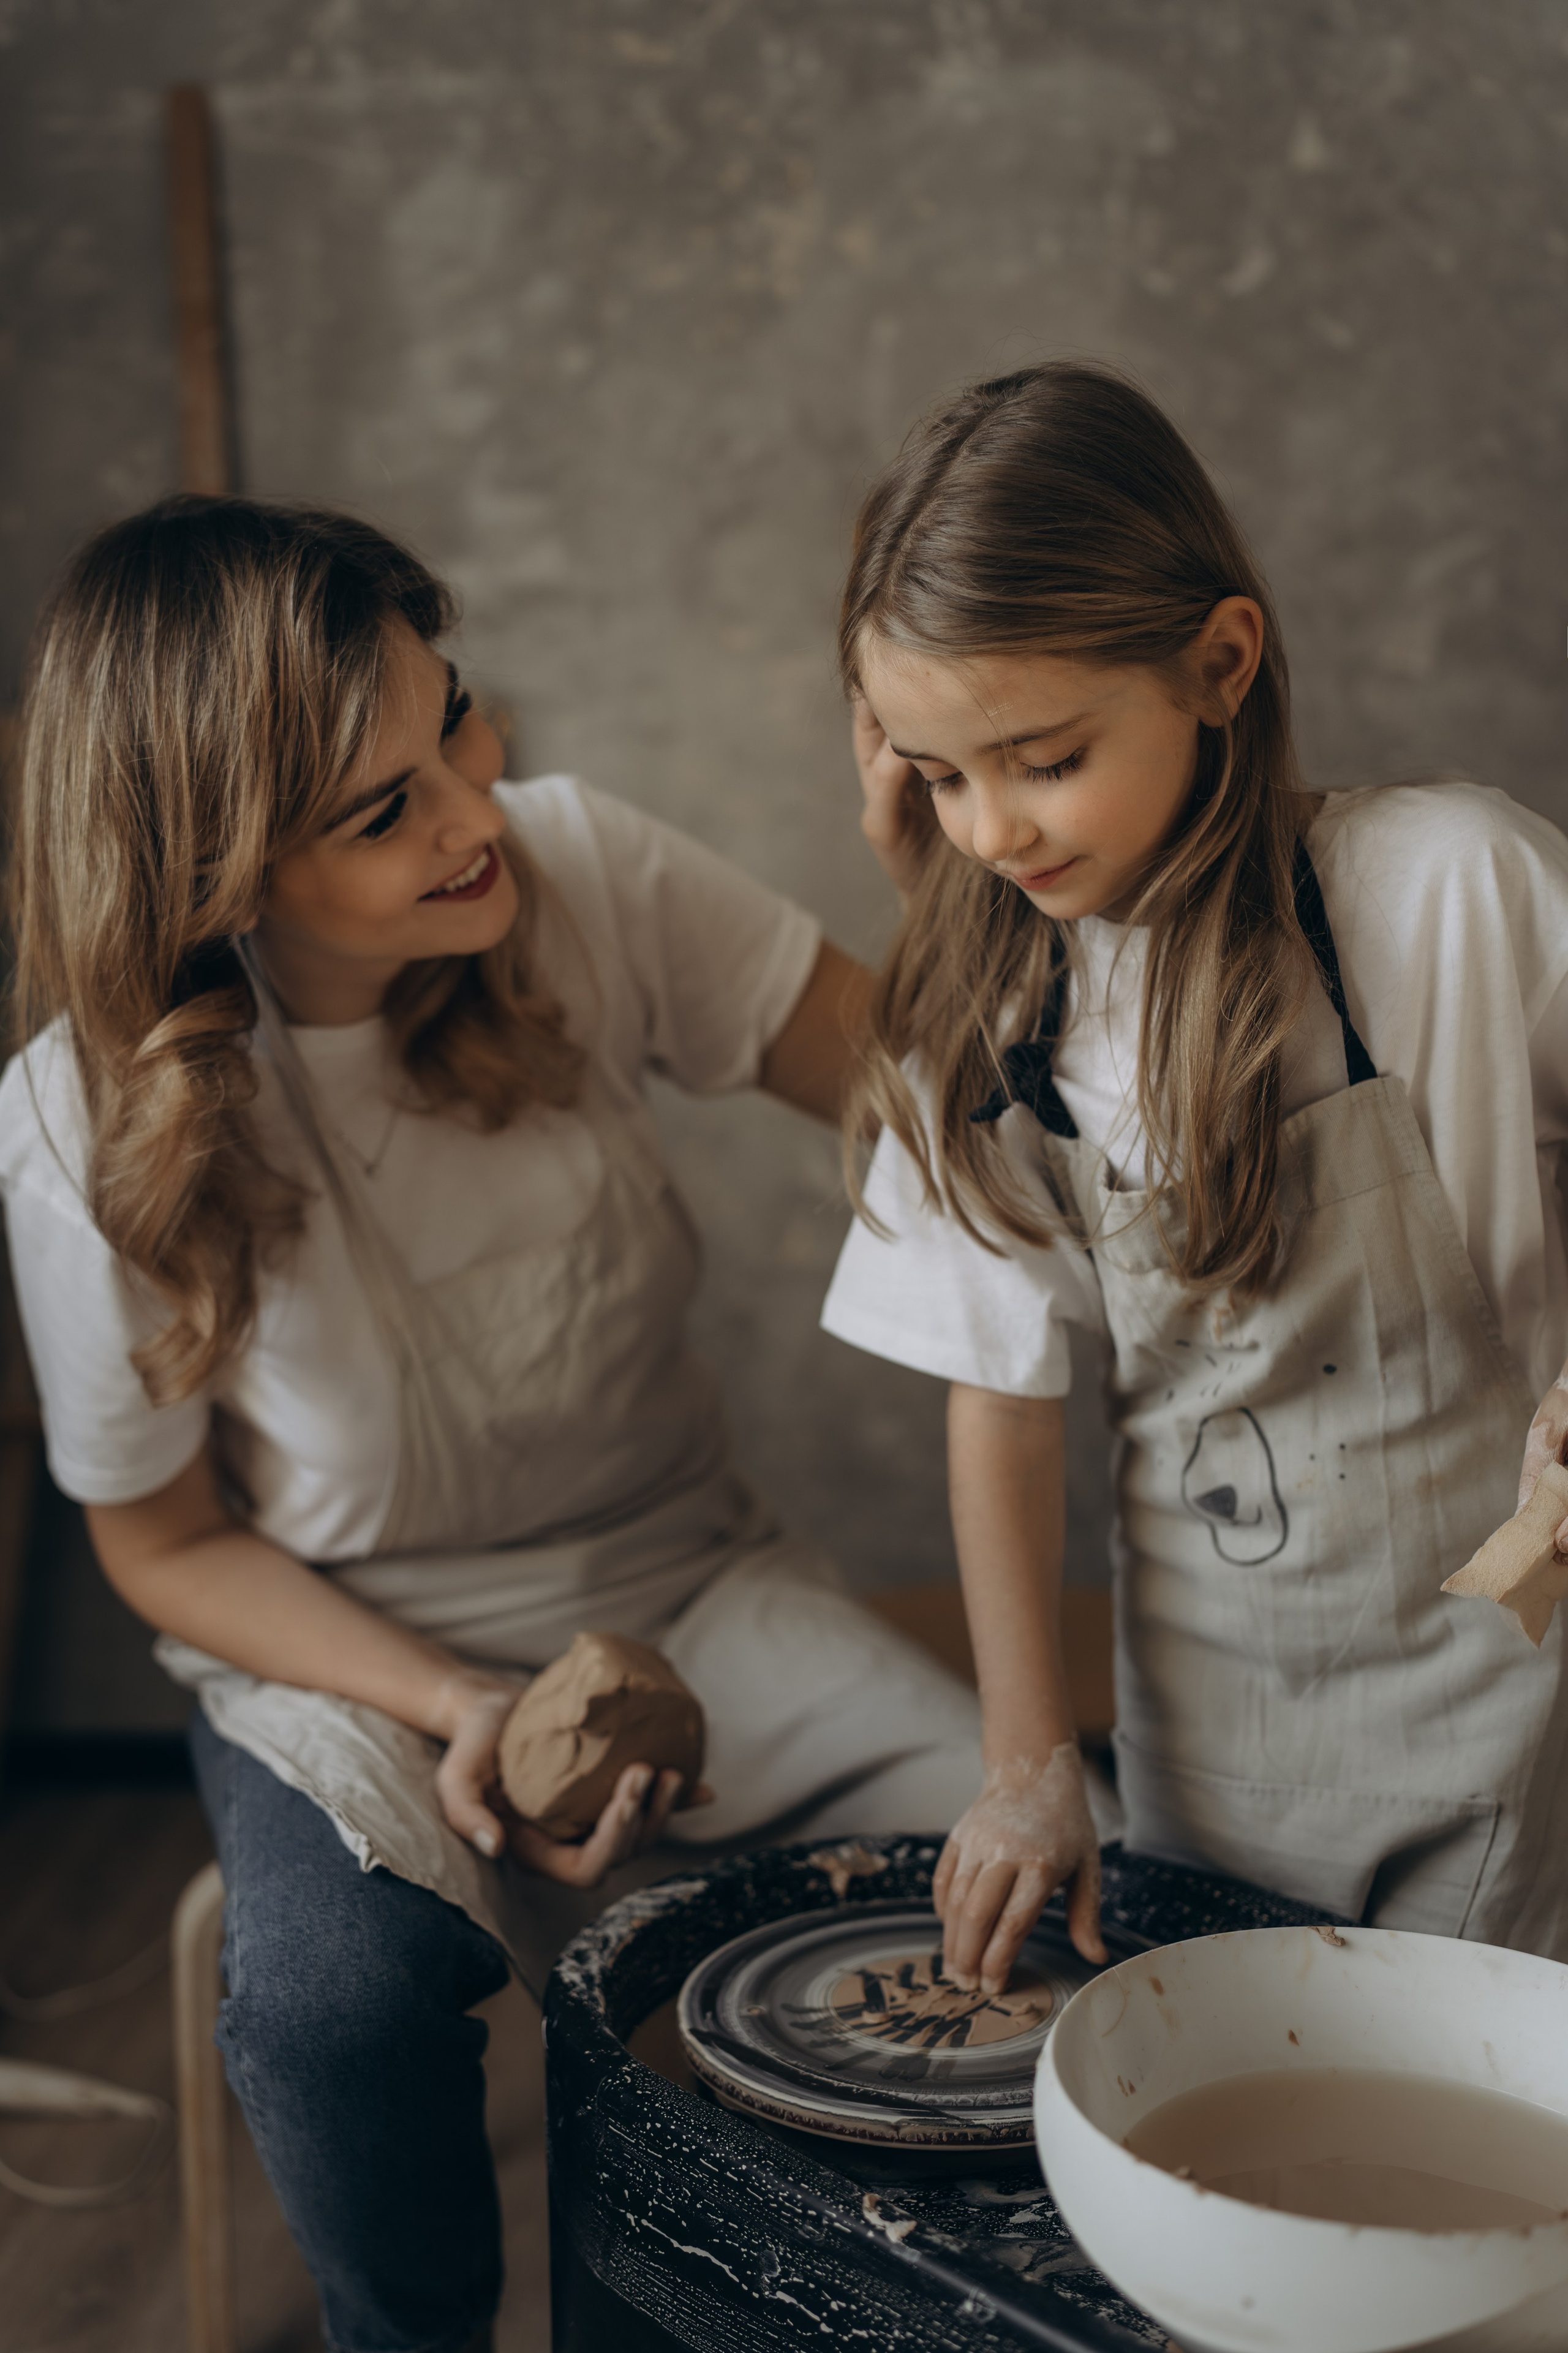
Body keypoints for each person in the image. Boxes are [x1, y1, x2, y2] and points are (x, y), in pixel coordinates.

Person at [0, 496, 982, 2353]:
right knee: (336, 2003)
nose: (473, 807)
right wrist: (450, 1706)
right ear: (216, 870)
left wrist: (965, 892)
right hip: (357, 1654)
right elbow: (165, 1543)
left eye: (453, 715)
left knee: (1040, 1864)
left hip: (689, 1580)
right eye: (381, 809)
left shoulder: (575, 869)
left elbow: (915, 1099)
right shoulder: (76, 1127)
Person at [821, 360, 1568, 2004]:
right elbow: (1000, 1397)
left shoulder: (1449, 890)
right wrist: (1032, 1761)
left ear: (1218, 664)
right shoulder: (992, 1023)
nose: (995, 829)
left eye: (1042, 754)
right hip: (1210, 1758)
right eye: (943, 776)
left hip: (1509, 1743)